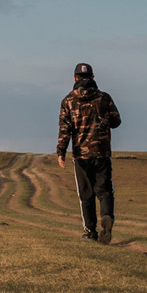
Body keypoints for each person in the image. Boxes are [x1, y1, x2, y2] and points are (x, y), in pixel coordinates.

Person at [55, 62, 121, 242]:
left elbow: (65, 129)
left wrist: (61, 151)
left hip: (81, 157)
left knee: (86, 194)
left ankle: (90, 232)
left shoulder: (68, 101)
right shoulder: (104, 98)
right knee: (105, 190)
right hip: (102, 153)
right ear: (92, 78)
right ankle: (107, 216)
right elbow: (116, 122)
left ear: (75, 78)